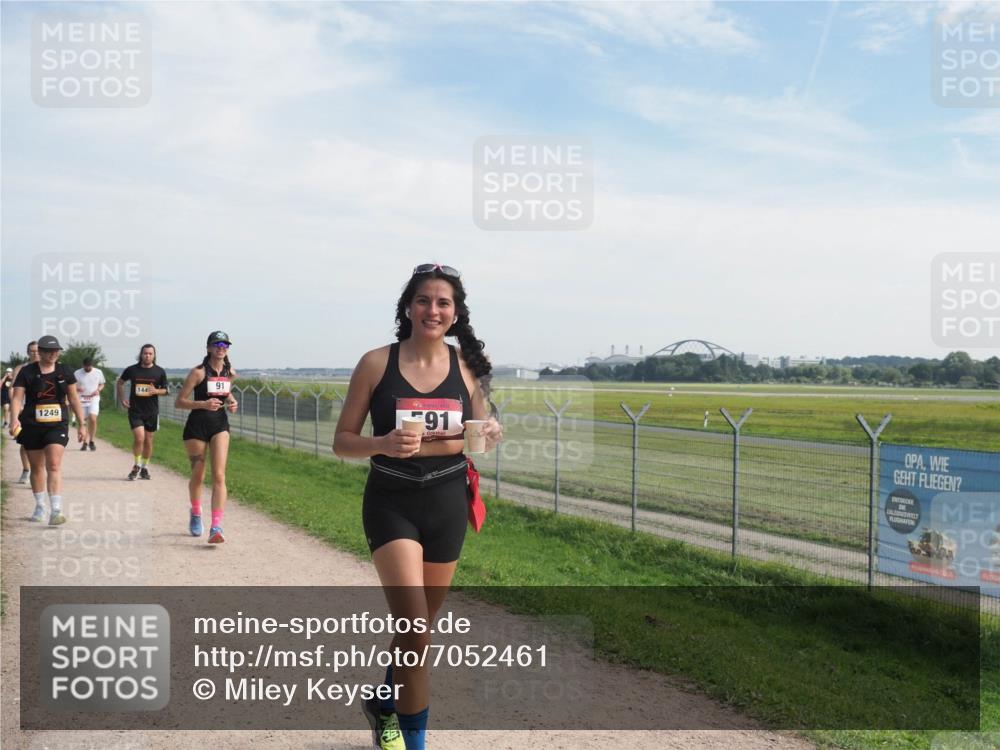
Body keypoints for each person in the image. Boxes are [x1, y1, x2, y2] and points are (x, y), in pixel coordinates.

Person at [333, 264, 502, 750]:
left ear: (456, 313)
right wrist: (382, 443)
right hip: (392, 502)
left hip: (447, 502)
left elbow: (482, 436)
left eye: (443, 302)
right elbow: (342, 441)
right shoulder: (375, 363)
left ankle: (383, 703)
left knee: (417, 631)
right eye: (423, 300)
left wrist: (491, 431)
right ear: (407, 307)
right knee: (414, 630)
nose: (433, 310)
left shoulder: (467, 366)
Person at [8, 335, 87, 524]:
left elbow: (73, 398)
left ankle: (56, 510)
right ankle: (40, 506)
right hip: (32, 424)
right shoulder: (27, 371)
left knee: (53, 465)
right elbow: (17, 398)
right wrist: (14, 419)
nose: (53, 354)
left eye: (56, 351)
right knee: (37, 467)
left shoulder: (65, 371)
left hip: (57, 424)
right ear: (40, 352)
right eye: (49, 351)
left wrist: (82, 424)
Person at [174, 331, 238, 544]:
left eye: (225, 345)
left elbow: (225, 392)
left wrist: (232, 401)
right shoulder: (198, 372)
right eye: (217, 344)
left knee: (219, 476)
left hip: (219, 425)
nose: (221, 348)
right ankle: (195, 512)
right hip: (197, 427)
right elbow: (179, 402)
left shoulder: (230, 372)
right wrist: (203, 404)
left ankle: (216, 527)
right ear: (209, 348)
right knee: (198, 475)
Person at [117, 344, 169, 480]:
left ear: (154, 355)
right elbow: (120, 383)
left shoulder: (159, 371)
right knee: (139, 438)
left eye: (150, 354)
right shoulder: (132, 370)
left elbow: (166, 390)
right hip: (135, 410)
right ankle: (136, 465)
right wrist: (122, 399)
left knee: (148, 440)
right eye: (145, 353)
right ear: (141, 354)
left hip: (152, 411)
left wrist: (156, 391)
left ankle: (145, 467)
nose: (147, 356)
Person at [11, 341, 41, 483]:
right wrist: (17, 410)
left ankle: (38, 473)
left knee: (44, 443)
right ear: (28, 353)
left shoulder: (48, 367)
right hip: (24, 409)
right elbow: (13, 390)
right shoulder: (21, 369)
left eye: (37, 350)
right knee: (26, 442)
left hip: (42, 410)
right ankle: (26, 470)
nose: (35, 353)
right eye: (32, 351)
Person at [73, 358, 106, 451]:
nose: (87, 368)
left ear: (92, 365)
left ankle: (91, 441)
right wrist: (77, 389)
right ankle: (85, 443)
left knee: (93, 418)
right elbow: (72, 385)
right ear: (83, 365)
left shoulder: (98, 372)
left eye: (89, 366)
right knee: (83, 421)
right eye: (86, 366)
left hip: (93, 398)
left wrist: (98, 390)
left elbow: (102, 384)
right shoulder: (77, 373)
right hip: (81, 398)